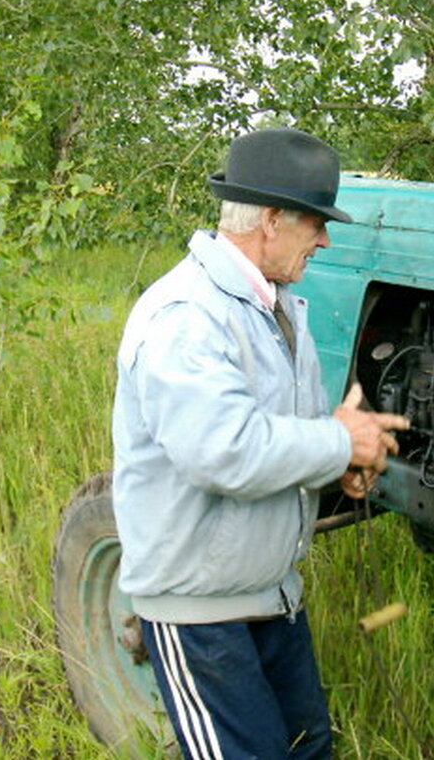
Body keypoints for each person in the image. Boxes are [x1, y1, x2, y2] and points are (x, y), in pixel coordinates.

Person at [112, 127, 409, 760]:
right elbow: (224, 451)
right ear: (271, 221)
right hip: (198, 610)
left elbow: (283, 433)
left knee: (307, 749)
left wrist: (340, 465)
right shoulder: (185, 316)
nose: (325, 239)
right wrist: (336, 441)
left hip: (271, 594)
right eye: (315, 223)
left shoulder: (277, 305)